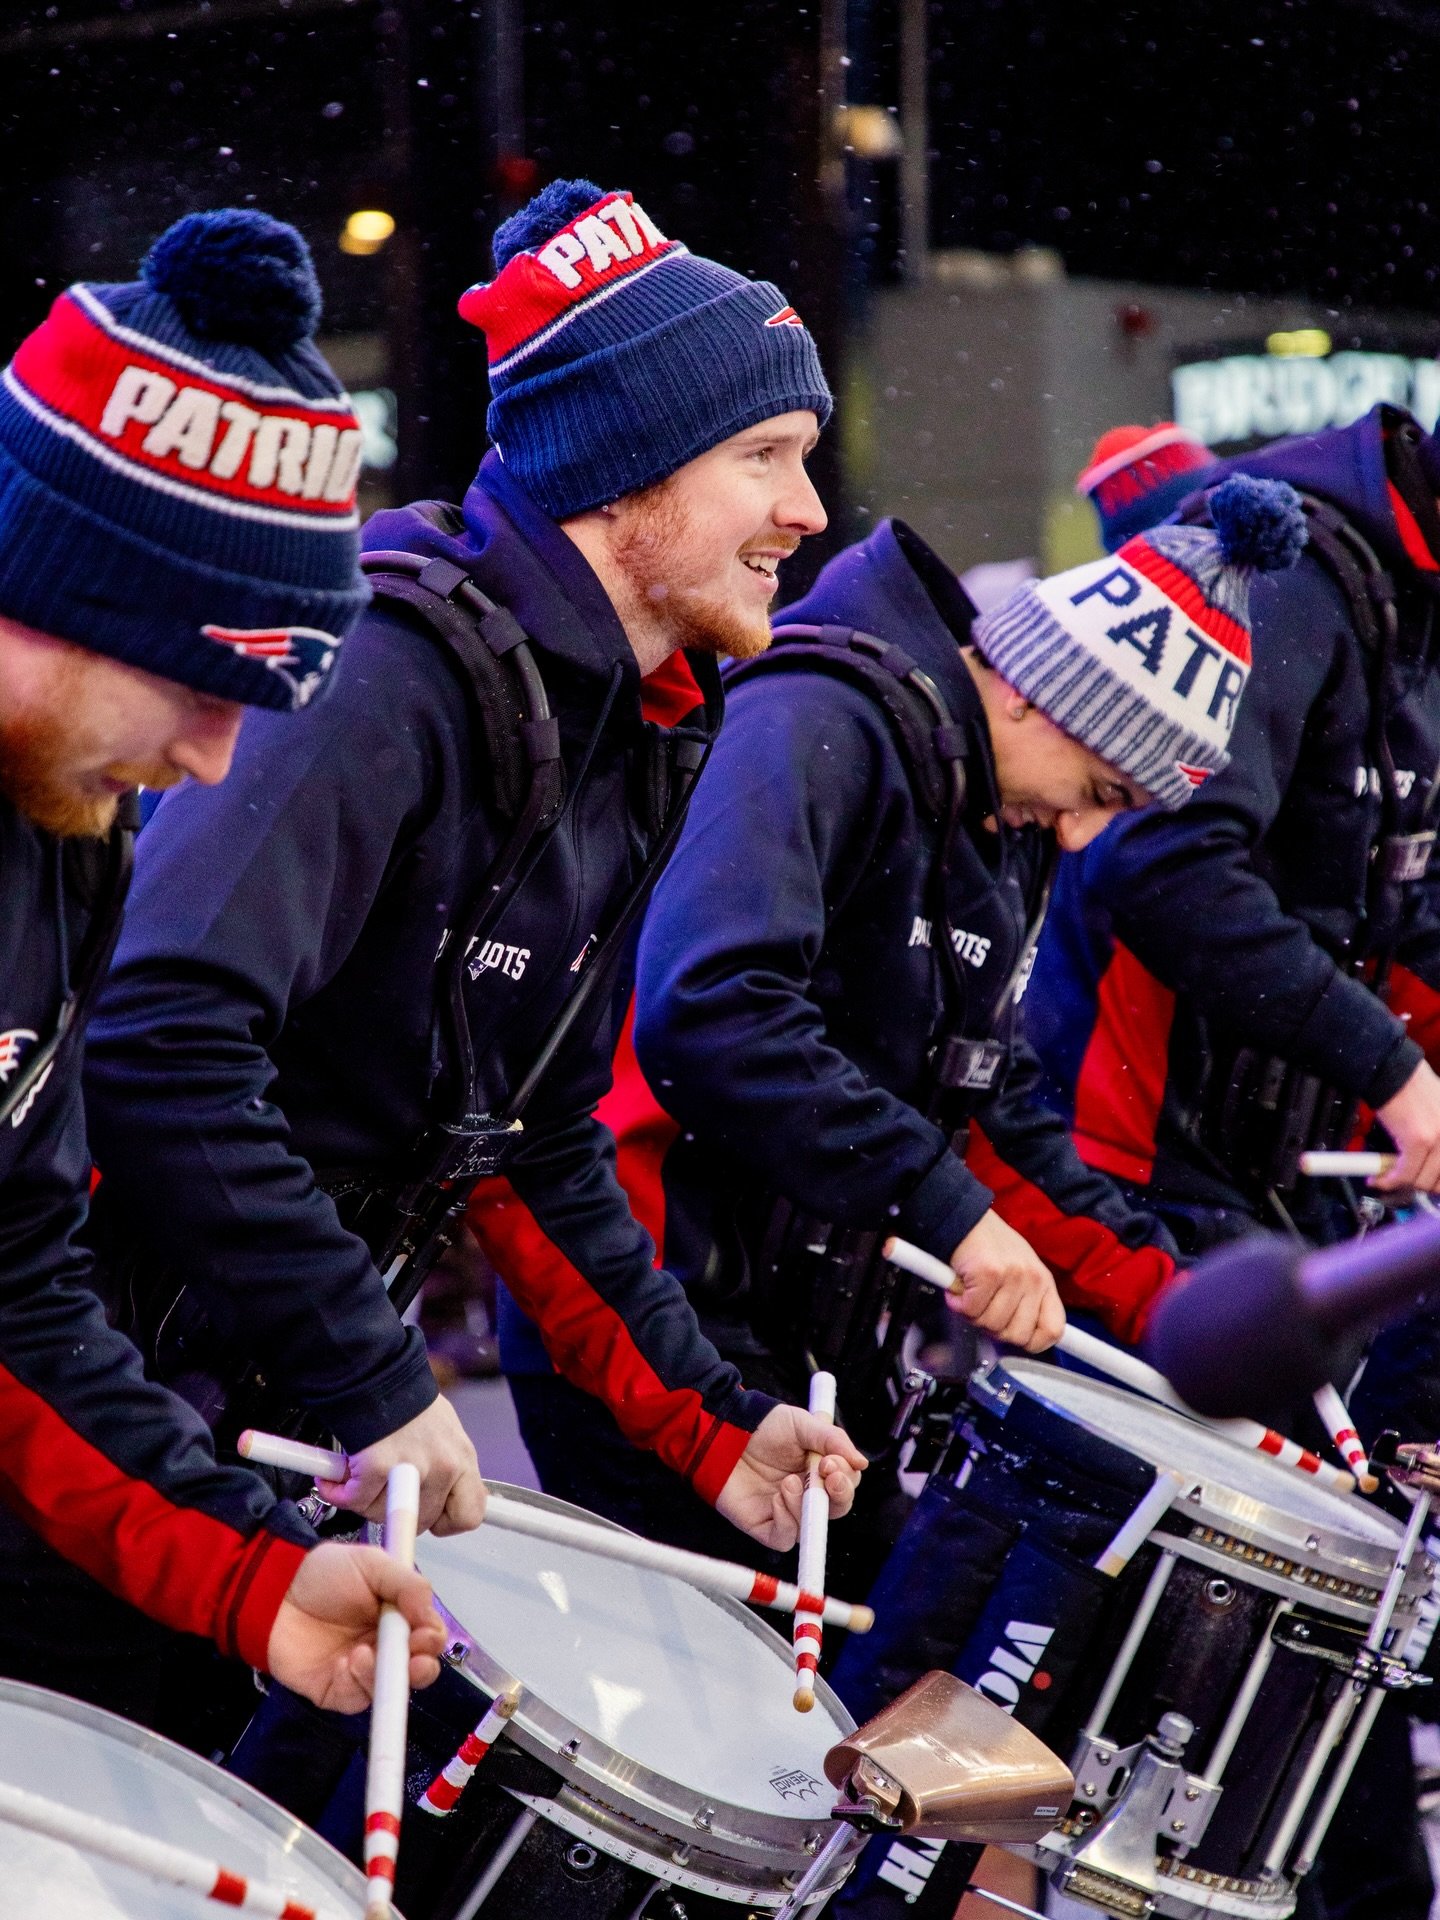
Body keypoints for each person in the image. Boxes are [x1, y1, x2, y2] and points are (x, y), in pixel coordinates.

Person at [80, 177, 864, 1588]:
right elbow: (160, 1040)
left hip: (266, 1410)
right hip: (114, 1402)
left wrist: (711, 1425)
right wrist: (373, 1370)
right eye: (765, 453)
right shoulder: (385, 669)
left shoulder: (639, 723)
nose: (807, 508)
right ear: (629, 465)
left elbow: (534, 1138)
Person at [0, 206, 444, 1726]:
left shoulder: (68, 830)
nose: (215, 758)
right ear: (53, 587)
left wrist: (251, 1575)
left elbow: (15, 1297)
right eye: (203, 683)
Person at [1030, 408, 1440, 1920]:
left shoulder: (1410, 614)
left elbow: (1396, 915)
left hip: (1257, 1176)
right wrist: (1400, 1078)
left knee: (1341, 1663)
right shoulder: (1291, 570)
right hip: (1119, 1175)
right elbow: (1161, 859)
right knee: (1231, 1673)